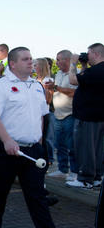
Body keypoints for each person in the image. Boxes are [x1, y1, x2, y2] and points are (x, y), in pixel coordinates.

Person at [0, 46, 76, 228]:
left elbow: (41, 118)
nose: (31, 62)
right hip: (7, 150)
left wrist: (41, 146)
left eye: (31, 59)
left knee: (38, 197)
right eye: (25, 59)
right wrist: (6, 140)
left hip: (33, 151)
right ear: (13, 64)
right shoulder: (1, 86)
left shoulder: (36, 86)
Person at [68, 43, 104, 190]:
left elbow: (73, 80)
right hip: (98, 116)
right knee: (97, 149)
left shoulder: (97, 70)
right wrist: (84, 66)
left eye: (88, 54)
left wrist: (73, 63)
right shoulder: (97, 71)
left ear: (96, 54)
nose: (86, 56)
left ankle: (85, 179)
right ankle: (96, 177)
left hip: (88, 117)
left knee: (85, 148)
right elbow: (85, 80)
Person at [44, 51, 79, 182]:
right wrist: (50, 89)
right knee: (60, 144)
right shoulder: (58, 74)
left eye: (58, 60)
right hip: (58, 114)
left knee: (72, 145)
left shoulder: (76, 73)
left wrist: (56, 87)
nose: (56, 62)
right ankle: (62, 169)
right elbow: (56, 90)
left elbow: (74, 92)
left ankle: (74, 171)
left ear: (66, 60)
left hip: (70, 114)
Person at [33, 58, 54, 173]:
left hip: (43, 114)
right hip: (32, 113)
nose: (33, 67)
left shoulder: (48, 80)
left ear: (40, 66)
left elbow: (48, 100)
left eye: (35, 65)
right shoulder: (33, 80)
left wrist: (44, 88)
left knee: (43, 140)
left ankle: (44, 164)